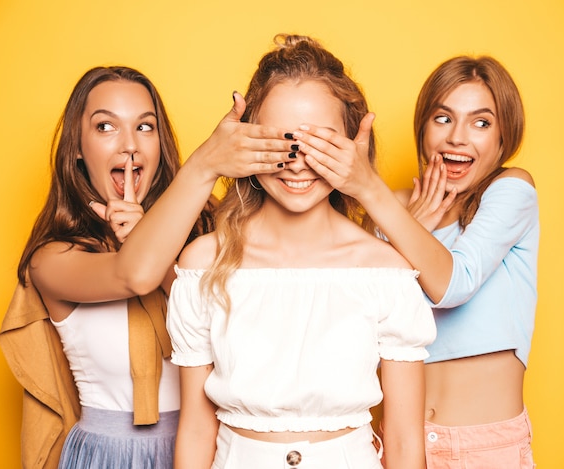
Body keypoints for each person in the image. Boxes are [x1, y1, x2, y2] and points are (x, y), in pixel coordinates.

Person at [0, 65, 297, 468]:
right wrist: (205, 164)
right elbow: (134, 274)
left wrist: (153, 242)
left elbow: (246, 334)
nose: (129, 147)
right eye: (106, 127)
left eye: (145, 127)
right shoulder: (52, 260)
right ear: (77, 149)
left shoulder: (209, 242)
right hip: (105, 456)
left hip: (208, 448)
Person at [166, 34, 436, 469]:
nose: (297, 161)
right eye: (280, 141)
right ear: (247, 141)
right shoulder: (203, 265)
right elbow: (196, 432)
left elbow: (405, 441)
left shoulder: (386, 272)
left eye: (320, 144)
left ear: (354, 145)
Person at [299, 55, 539, 468]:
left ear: (503, 137)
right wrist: (405, 222)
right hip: (395, 443)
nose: (458, 138)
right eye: (443, 118)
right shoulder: (392, 209)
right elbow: (354, 316)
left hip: (484, 447)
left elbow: (454, 283)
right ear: (423, 127)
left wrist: (374, 196)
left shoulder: (510, 189)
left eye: (481, 123)